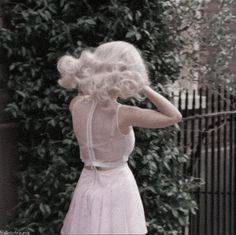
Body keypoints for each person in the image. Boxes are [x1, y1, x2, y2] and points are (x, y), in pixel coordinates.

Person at [57, 41, 182, 235]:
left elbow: (85, 89)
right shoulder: (123, 114)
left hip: (86, 183)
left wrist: (92, 70)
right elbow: (174, 116)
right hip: (116, 188)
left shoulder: (77, 104)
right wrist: (145, 87)